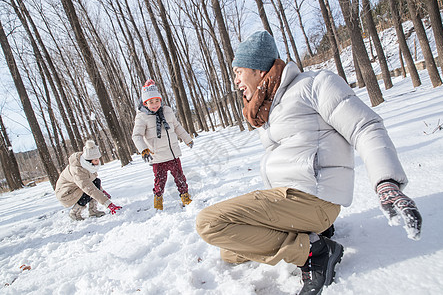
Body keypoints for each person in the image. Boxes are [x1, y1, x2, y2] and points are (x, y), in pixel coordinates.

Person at [195, 31, 422, 294]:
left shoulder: (314, 84)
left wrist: (387, 181)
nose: (235, 81)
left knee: (210, 223)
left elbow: (365, 127)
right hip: (290, 201)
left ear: (258, 70)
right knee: (230, 251)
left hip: (313, 199)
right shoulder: (269, 108)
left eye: (239, 71)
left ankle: (314, 252)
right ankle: (311, 234)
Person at [132, 79, 194, 211]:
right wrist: (144, 150)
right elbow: (136, 135)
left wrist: (187, 138)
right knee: (160, 182)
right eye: (151, 102)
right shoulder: (142, 116)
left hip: (173, 154)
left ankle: (185, 197)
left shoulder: (167, 111)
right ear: (145, 103)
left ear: (161, 100)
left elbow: (176, 126)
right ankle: (158, 202)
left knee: (180, 178)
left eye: (157, 101)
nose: (155, 104)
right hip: (158, 157)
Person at [55, 140, 122, 221]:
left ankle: (93, 210)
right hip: (66, 193)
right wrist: (109, 204)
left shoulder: (88, 165)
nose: (98, 162)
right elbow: (89, 189)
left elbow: (94, 181)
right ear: (89, 160)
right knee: (89, 191)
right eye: (95, 160)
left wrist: (102, 191)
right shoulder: (78, 170)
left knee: (96, 182)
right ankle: (74, 213)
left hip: (76, 188)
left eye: (98, 159)